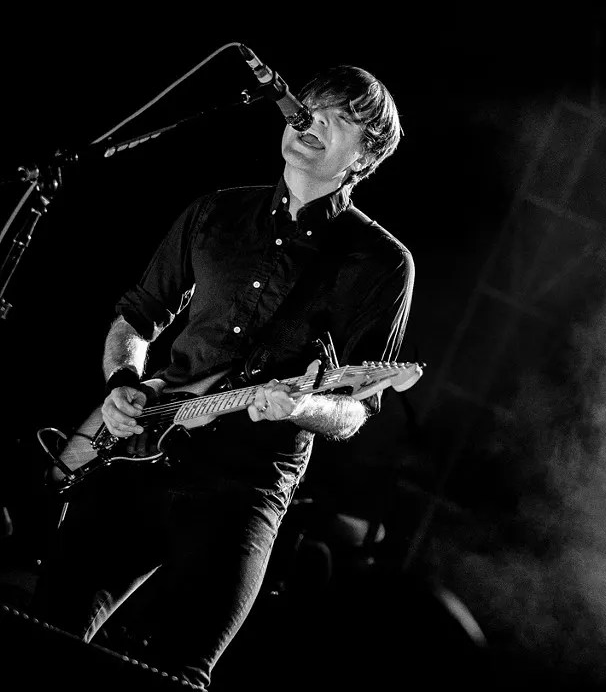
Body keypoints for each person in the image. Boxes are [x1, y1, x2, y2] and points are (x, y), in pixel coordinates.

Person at [29, 62, 415, 690]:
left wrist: (300, 407)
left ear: (364, 157)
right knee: (48, 624)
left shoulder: (382, 263)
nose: (312, 121)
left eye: (340, 119)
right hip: (141, 448)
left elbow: (354, 410)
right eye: (310, 105)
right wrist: (121, 385)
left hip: (246, 486)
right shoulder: (215, 211)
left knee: (179, 673)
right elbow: (137, 316)